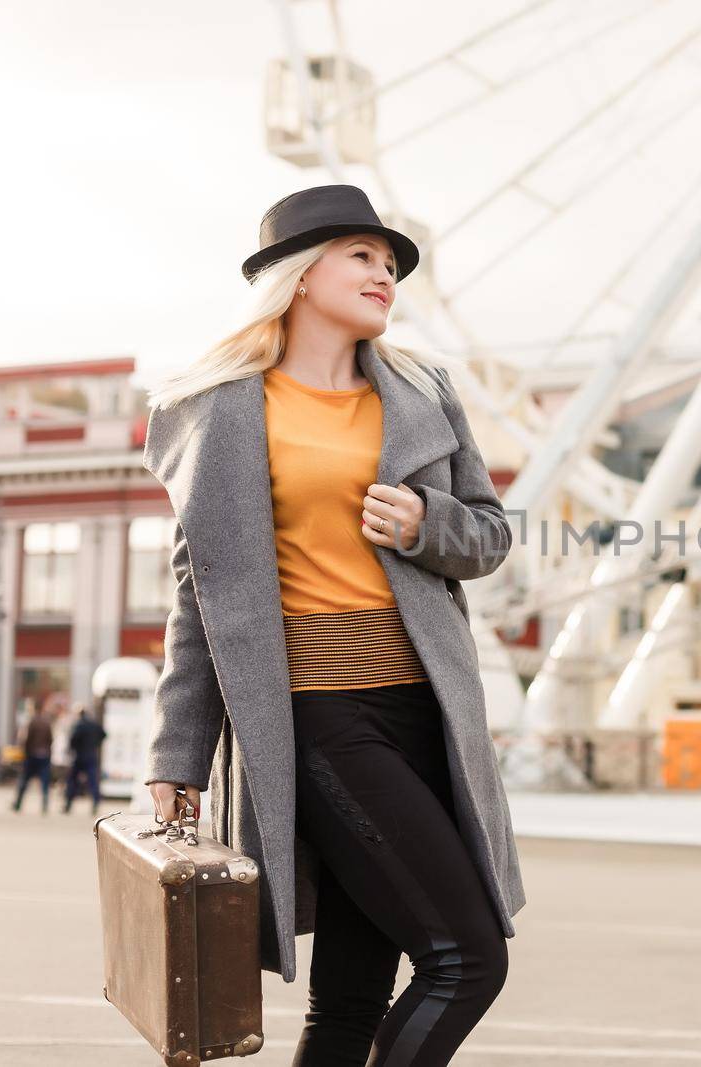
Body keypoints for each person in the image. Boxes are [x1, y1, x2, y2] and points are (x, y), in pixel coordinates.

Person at [141, 184, 523, 1066]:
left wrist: (427, 523)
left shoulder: (423, 390)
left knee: (350, 1003)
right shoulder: (221, 409)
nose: (384, 274)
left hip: (428, 713)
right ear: (298, 274)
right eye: (361, 255)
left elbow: (491, 535)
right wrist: (176, 754)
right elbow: (200, 596)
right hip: (317, 717)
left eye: (390, 264)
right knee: (466, 960)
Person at [62, 706, 107, 815]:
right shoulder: (94, 724)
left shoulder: (78, 725)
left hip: (79, 756)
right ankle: (95, 803)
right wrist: (96, 744)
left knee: (72, 781)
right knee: (93, 781)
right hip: (91, 755)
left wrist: (72, 749)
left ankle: (68, 804)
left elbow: (73, 740)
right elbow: (104, 735)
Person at [11, 706, 54, 814]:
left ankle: (18, 804)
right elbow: (50, 739)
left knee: (24, 780)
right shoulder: (46, 723)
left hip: (32, 755)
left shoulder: (32, 722)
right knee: (44, 782)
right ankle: (45, 805)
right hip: (44, 755)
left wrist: (25, 753)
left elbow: (27, 739)